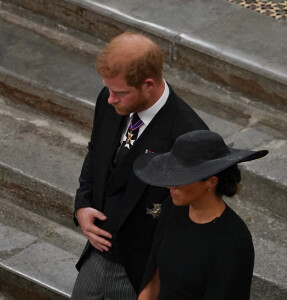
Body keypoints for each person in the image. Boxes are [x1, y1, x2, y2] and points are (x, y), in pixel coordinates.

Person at [71, 32, 209, 300]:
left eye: (120, 92)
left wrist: (153, 283)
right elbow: (95, 153)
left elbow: (187, 220)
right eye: (109, 89)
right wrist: (83, 204)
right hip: (95, 259)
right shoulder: (108, 100)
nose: (110, 99)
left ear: (148, 84)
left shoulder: (187, 135)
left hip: (141, 275)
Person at [133, 130, 268, 299]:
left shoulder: (233, 241)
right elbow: (154, 277)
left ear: (211, 182)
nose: (170, 186)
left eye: (181, 178)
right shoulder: (172, 208)